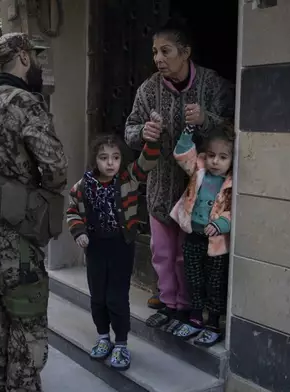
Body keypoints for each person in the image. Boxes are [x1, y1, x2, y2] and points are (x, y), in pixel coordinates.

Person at [0, 32, 68, 392]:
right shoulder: (26, 103)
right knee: (27, 320)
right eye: (36, 57)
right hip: (15, 231)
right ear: (22, 57)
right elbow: (55, 168)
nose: (39, 64)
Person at [125, 23, 235, 329]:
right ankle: (170, 304)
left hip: (201, 192)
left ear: (185, 53)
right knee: (162, 252)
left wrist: (205, 119)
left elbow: (234, 127)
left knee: (188, 257)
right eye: (154, 52)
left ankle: (191, 309)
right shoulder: (148, 89)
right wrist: (142, 133)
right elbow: (130, 129)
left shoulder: (213, 85)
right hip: (161, 185)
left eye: (166, 51)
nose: (158, 58)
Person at [66, 133, 161, 371]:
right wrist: (79, 232)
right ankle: (103, 337)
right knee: (98, 297)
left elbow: (147, 161)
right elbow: (71, 211)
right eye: (104, 158)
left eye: (115, 157)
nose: (110, 163)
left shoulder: (128, 177)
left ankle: (121, 343)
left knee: (116, 298)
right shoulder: (83, 186)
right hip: (96, 248)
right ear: (94, 160)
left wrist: (153, 138)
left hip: (121, 246)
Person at [169, 123, 234, 347]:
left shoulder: (231, 184)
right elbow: (182, 155)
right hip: (194, 236)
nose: (216, 161)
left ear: (232, 160)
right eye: (212, 155)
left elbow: (234, 211)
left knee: (214, 283)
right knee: (193, 278)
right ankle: (196, 318)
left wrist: (221, 224)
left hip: (216, 244)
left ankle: (213, 324)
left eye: (223, 157)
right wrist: (187, 133)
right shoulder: (199, 171)